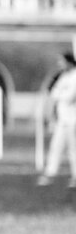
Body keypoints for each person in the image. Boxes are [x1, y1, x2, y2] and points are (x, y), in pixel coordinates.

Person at [38, 53, 76, 187]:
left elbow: (69, 97)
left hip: (73, 121)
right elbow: (53, 94)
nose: (60, 64)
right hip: (62, 120)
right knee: (55, 147)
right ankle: (50, 173)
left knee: (73, 149)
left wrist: (58, 95)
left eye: (62, 61)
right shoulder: (63, 77)